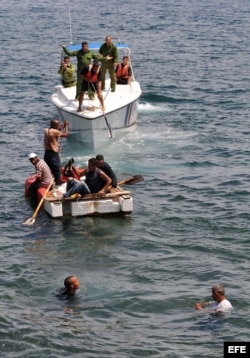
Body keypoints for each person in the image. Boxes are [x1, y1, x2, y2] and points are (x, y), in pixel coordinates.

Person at [44, 118, 69, 185]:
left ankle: (51, 183)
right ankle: (57, 185)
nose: (58, 126)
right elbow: (66, 135)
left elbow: (57, 130)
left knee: (50, 170)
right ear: (53, 125)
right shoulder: (55, 132)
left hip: (47, 154)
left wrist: (62, 126)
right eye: (57, 125)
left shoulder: (47, 130)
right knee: (57, 171)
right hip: (53, 155)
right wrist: (66, 126)